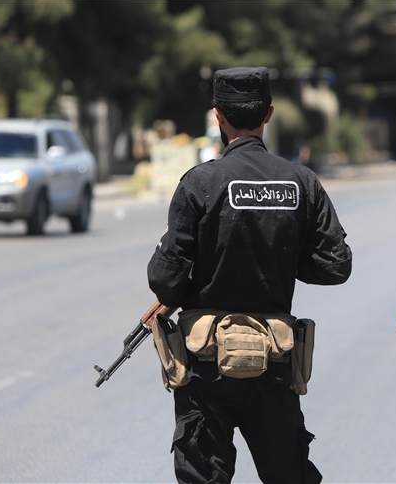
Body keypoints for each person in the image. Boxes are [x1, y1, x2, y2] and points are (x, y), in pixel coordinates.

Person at [147, 67, 352, 483]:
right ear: (268, 114)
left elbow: (165, 280)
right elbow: (335, 264)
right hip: (274, 362)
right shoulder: (301, 181)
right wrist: (283, 257)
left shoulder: (200, 183)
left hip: (206, 365)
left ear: (218, 116)